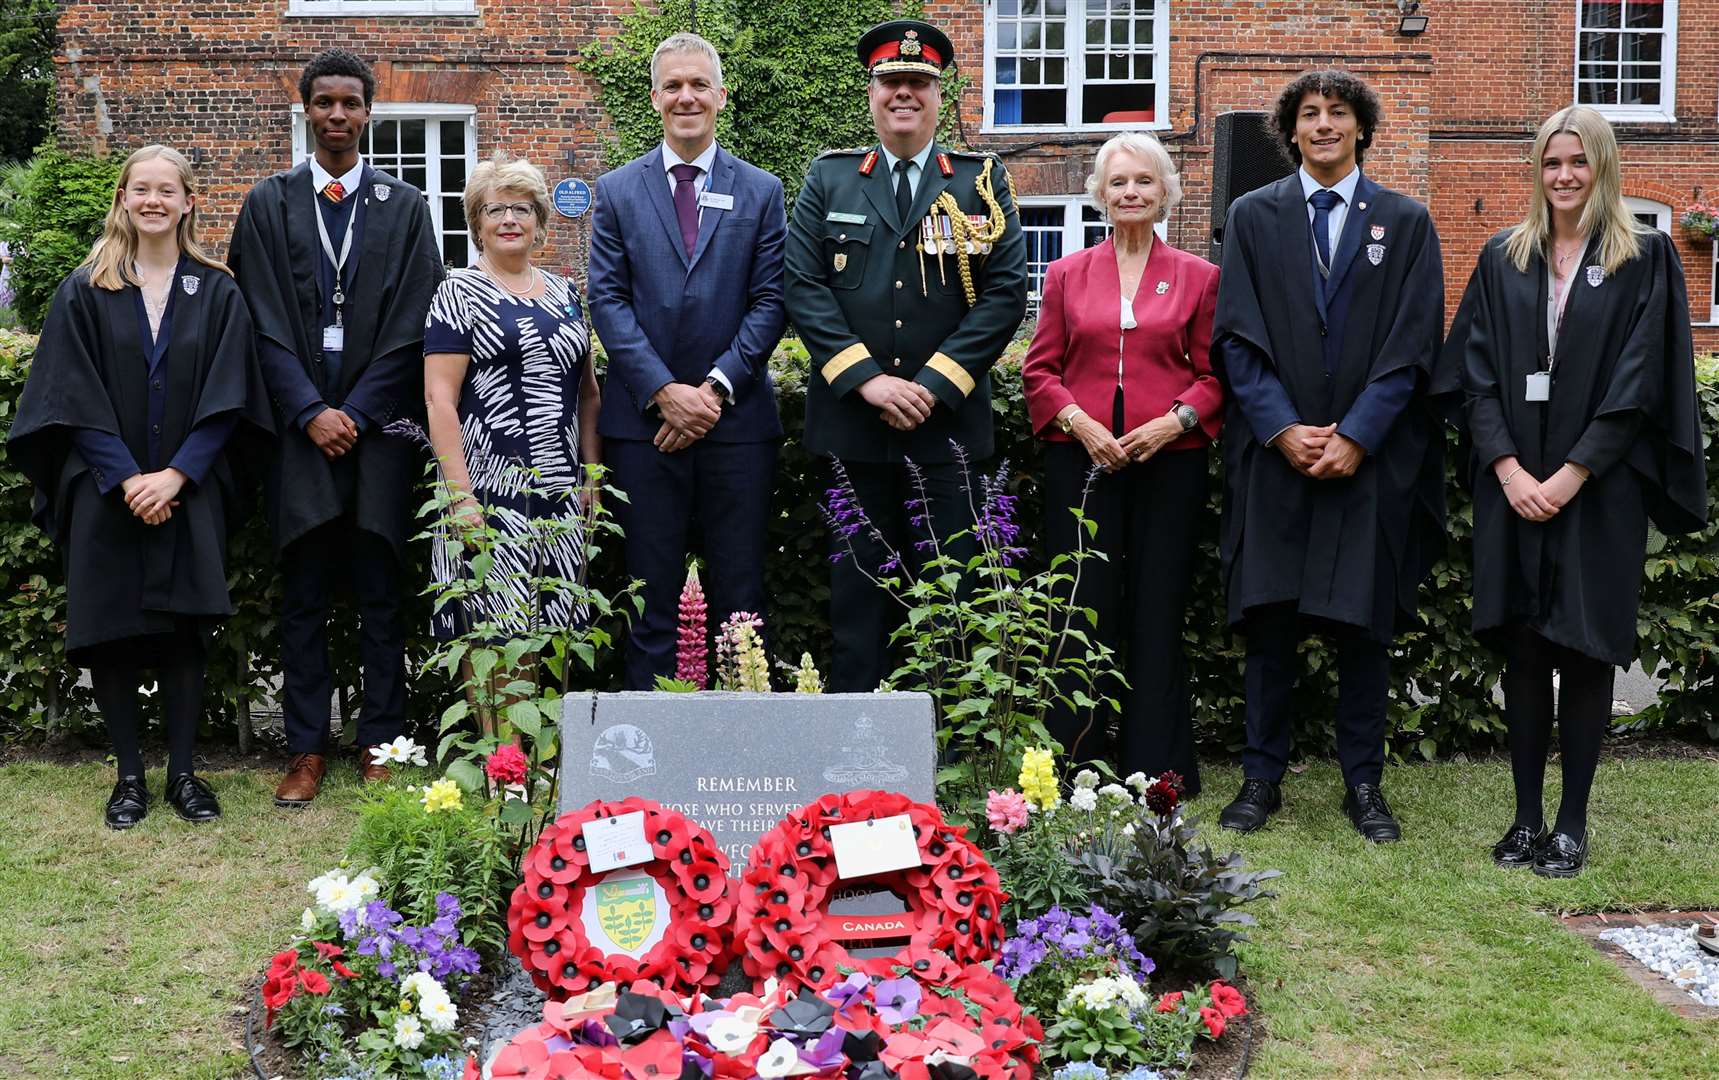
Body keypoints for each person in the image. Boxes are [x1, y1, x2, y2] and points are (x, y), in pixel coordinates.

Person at [1448, 106, 1707, 877]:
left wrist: (1569, 473)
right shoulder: (1503, 257)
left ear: (1602, 168)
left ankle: (1570, 825)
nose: (1563, 176)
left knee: (1586, 651)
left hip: (1597, 491)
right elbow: (1476, 372)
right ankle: (1525, 819)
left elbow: (1639, 383)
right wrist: (1505, 469)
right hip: (1513, 482)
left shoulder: (1645, 259)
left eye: (1578, 162)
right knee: (1524, 649)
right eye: (1551, 162)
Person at [1211, 69, 1451, 841]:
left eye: (1336, 113)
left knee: (1362, 630)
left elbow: (1414, 344)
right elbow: (1235, 338)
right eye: (1308, 114)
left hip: (1365, 463)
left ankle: (1363, 784)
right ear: (1291, 131)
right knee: (1271, 622)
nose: (1321, 125)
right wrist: (1281, 428)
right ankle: (1259, 778)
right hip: (1276, 457)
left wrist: (1356, 434)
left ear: (1360, 128)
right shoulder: (1251, 217)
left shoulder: (1405, 222)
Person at [9, 145, 272, 828]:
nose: (153, 201)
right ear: (123, 197)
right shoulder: (86, 289)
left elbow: (231, 393)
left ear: (189, 201)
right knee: (112, 633)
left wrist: (177, 474)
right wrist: (128, 478)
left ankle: (184, 776)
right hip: (104, 490)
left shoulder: (216, 291)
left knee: (185, 631)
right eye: (141, 189)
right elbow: (69, 394)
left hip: (191, 486)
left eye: (167, 190)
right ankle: (129, 778)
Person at [228, 49, 444, 806]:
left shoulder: (407, 208)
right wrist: (309, 411)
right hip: (298, 432)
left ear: (369, 112)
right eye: (324, 103)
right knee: (306, 593)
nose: (338, 116)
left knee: (383, 590)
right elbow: (255, 322)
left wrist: (353, 412)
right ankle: (306, 747)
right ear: (306, 110)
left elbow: (417, 323)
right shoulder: (268, 204)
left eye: (351, 103)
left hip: (380, 433)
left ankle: (382, 741)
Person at [785, 19, 1028, 693]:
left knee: (950, 595)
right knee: (857, 594)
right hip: (852, 426)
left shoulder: (980, 182)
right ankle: (855, 747)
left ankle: (943, 749)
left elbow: (1006, 294)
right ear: (871, 92)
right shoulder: (830, 179)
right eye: (891, 81)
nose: (903, 93)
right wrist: (866, 381)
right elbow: (801, 285)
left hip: (944, 428)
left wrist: (929, 384)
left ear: (937, 95)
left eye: (917, 83)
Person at [1020, 133, 1221, 793]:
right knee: (1081, 610)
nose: (1130, 192)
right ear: (1099, 195)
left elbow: (1217, 378)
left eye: (1142, 181)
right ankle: (1077, 766)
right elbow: (1040, 369)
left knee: (1157, 609)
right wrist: (1079, 423)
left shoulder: (1199, 276)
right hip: (1079, 465)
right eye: (1117, 183)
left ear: (1164, 192)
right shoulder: (1064, 274)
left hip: (1170, 464)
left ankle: (1157, 768)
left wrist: (1173, 421)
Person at [588, 32, 787, 689]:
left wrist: (713, 390)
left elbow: (769, 301)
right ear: (653, 98)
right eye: (672, 85)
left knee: (739, 594)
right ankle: (650, 749)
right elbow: (608, 302)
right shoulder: (616, 192)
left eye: (698, 84)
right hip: (643, 427)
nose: (686, 96)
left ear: (720, 96)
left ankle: (742, 741)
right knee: (649, 590)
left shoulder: (760, 191)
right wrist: (663, 392)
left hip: (737, 426)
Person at [424, 152, 600, 652]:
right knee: (492, 637)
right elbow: (439, 399)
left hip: (560, 493)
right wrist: (459, 498)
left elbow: (588, 394)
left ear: (540, 222)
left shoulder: (566, 293)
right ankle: (502, 737)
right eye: (494, 209)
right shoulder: (457, 292)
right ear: (476, 222)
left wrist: (592, 477)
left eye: (522, 209)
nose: (508, 220)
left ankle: (539, 736)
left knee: (555, 636)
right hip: (486, 492)